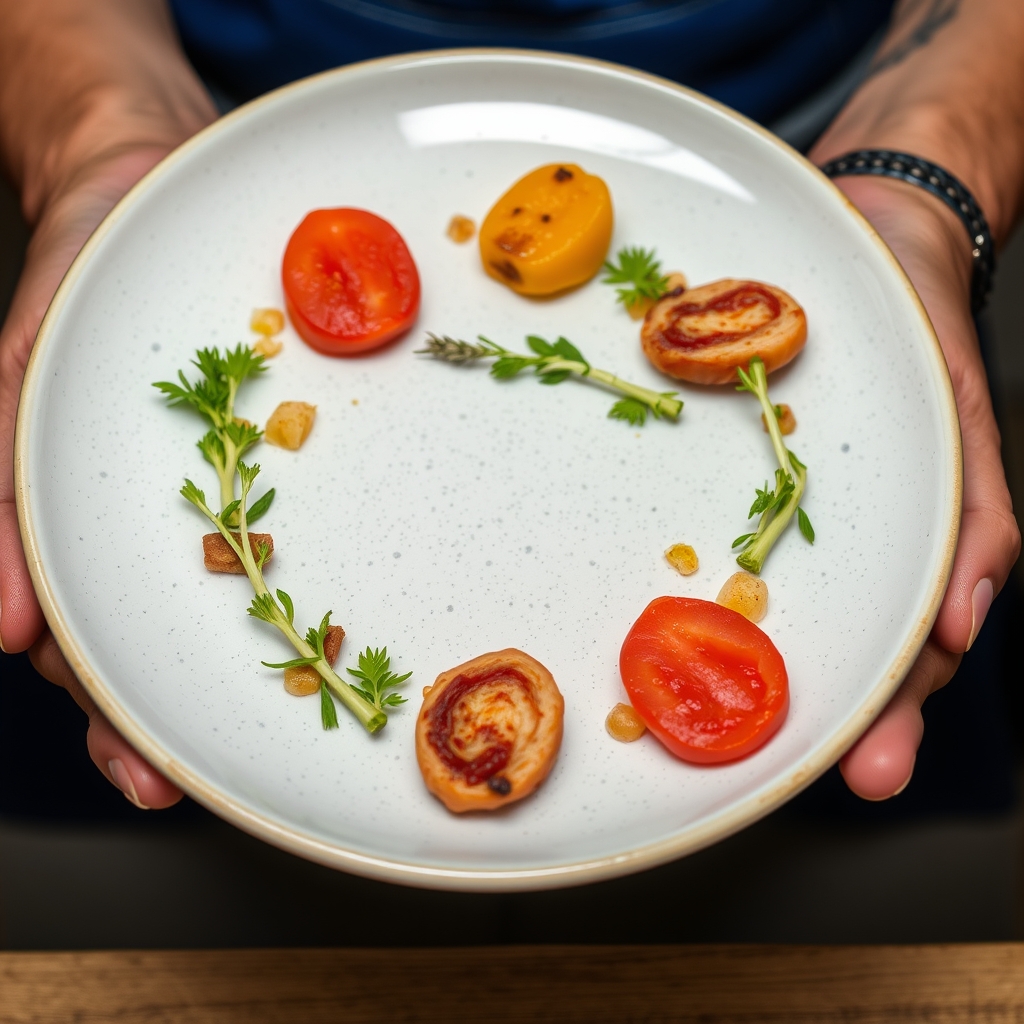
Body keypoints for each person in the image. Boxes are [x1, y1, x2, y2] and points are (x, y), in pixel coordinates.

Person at [0, 0, 1019, 811]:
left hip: (821, 124)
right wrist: (97, 121)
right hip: (222, 128)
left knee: (826, 876)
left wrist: (927, 156)